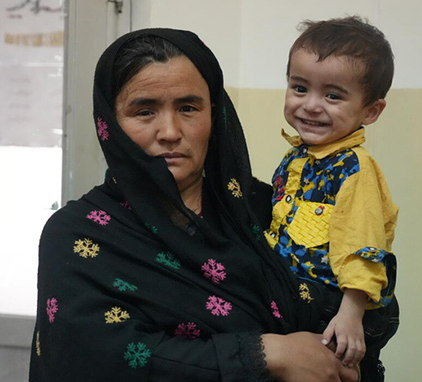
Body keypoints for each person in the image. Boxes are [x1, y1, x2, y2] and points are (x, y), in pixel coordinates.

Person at [29, 28, 359, 381]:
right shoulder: (78, 235)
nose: (170, 131)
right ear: (109, 122)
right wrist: (267, 354)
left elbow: (365, 301)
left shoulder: (270, 207)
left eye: (188, 108)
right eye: (144, 111)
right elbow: (95, 356)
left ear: (214, 116)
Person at [265, 16, 399, 381]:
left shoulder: (354, 170)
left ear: (370, 111)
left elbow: (364, 245)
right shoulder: (299, 156)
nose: (310, 105)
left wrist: (351, 314)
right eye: (299, 87)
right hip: (296, 302)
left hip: (334, 311)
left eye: (333, 95)